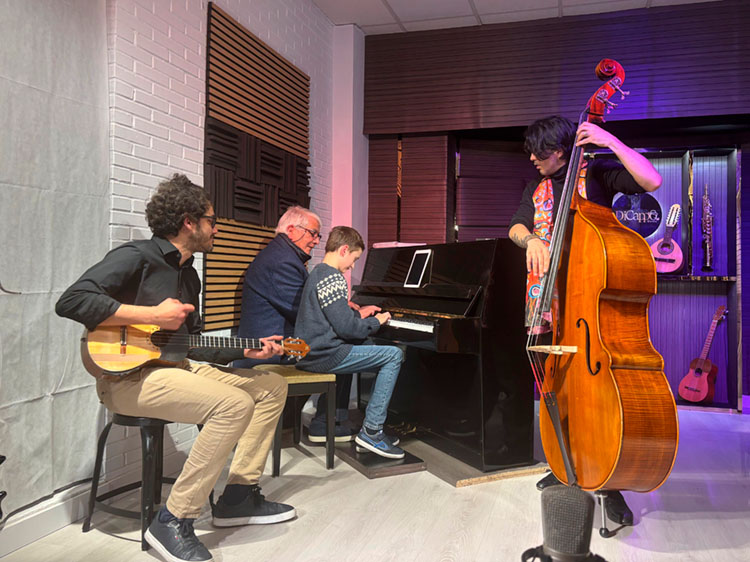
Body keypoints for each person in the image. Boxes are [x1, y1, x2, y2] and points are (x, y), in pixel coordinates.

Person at [56, 174, 296, 562]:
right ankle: (173, 520)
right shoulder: (137, 256)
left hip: (177, 366)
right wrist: (151, 315)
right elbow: (71, 300)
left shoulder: (190, 275)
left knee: (270, 386)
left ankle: (238, 495)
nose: (216, 228)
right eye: (212, 221)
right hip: (126, 378)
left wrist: (245, 351)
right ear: (189, 222)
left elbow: (191, 344)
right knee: (233, 404)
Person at [509, 115, 662, 527]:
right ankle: (562, 462)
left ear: (560, 151)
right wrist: (531, 239)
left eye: (538, 152)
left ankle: (609, 481)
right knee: (557, 387)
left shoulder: (596, 173)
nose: (532, 159)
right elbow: (516, 225)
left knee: (598, 396)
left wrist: (610, 141)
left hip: (589, 305)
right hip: (548, 304)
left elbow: (651, 181)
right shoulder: (535, 188)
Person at [236, 206, 371, 444]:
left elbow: (307, 302)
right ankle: (326, 423)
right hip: (272, 348)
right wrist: (352, 315)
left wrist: (341, 306)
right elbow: (305, 310)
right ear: (291, 230)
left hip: (282, 340)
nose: (317, 241)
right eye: (313, 234)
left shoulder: (282, 256)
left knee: (343, 336)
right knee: (346, 341)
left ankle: (329, 419)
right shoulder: (282, 262)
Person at [294, 226, 405, 459]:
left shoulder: (318, 272)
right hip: (323, 355)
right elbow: (347, 328)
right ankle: (372, 431)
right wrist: (376, 321)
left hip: (313, 352)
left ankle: (325, 422)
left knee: (365, 346)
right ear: (344, 249)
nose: (352, 266)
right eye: (354, 259)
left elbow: (337, 321)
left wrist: (360, 319)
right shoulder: (333, 277)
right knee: (393, 355)